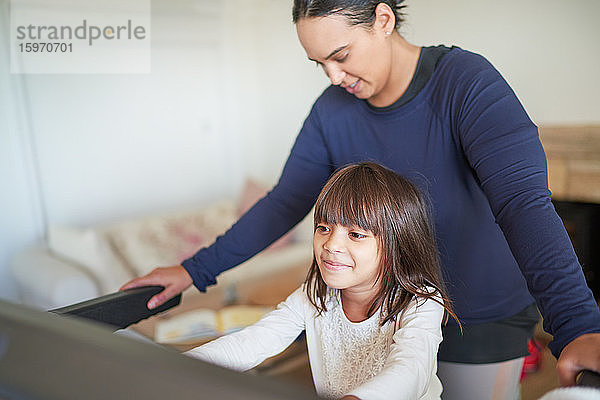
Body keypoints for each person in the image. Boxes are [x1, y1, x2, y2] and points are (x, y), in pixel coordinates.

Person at [121, 0, 600, 397]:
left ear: (383, 20)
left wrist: (577, 322)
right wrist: (192, 270)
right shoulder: (332, 111)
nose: (333, 76)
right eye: (319, 64)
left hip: (480, 314)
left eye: (342, 55)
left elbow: (524, 203)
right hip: (385, 314)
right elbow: (286, 201)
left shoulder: (466, 83)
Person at [185, 162, 457, 400]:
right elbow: (251, 342)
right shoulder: (314, 296)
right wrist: (175, 367)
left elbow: (411, 369)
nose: (331, 244)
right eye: (324, 228)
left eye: (356, 234)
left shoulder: (419, 302)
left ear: (398, 243)